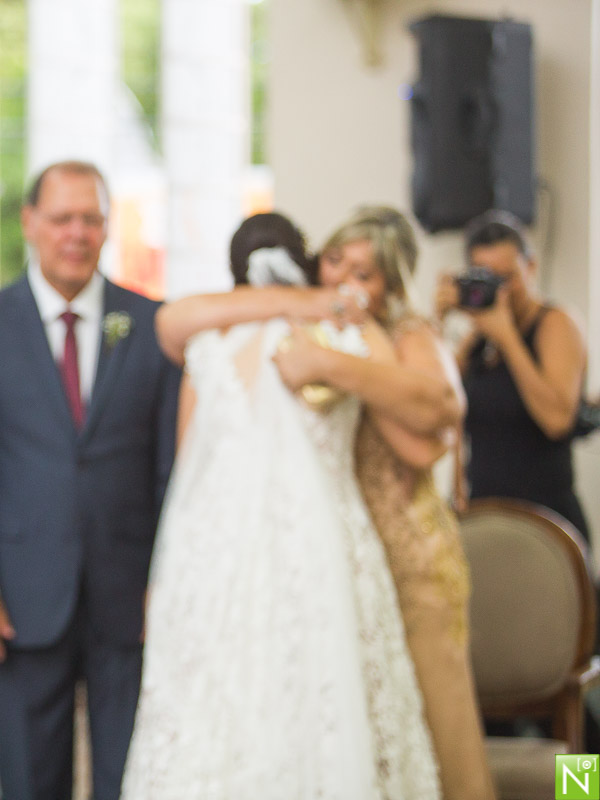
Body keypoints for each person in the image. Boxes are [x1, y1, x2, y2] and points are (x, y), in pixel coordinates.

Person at [154, 206, 493, 799]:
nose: (345, 281)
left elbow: (434, 427)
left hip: (416, 563)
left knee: (455, 750)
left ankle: (582, 785)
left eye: (365, 273)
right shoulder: (327, 324)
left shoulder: (409, 335)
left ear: (391, 282)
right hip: (352, 566)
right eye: (336, 261)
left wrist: (332, 362)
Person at [0, 160, 180, 800]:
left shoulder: (152, 327)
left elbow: (169, 473)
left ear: (107, 228)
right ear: (30, 223)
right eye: (62, 218)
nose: (76, 233)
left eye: (91, 218)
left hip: (131, 600)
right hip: (21, 599)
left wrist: (168, 582)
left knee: (133, 779)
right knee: (28, 782)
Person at [436, 210, 589, 539]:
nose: (500, 292)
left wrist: (507, 337)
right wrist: (440, 323)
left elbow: (557, 419)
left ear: (530, 266)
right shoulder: (479, 340)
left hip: (544, 524)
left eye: (507, 278)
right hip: (486, 516)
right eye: (487, 280)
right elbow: (438, 403)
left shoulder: (556, 323)